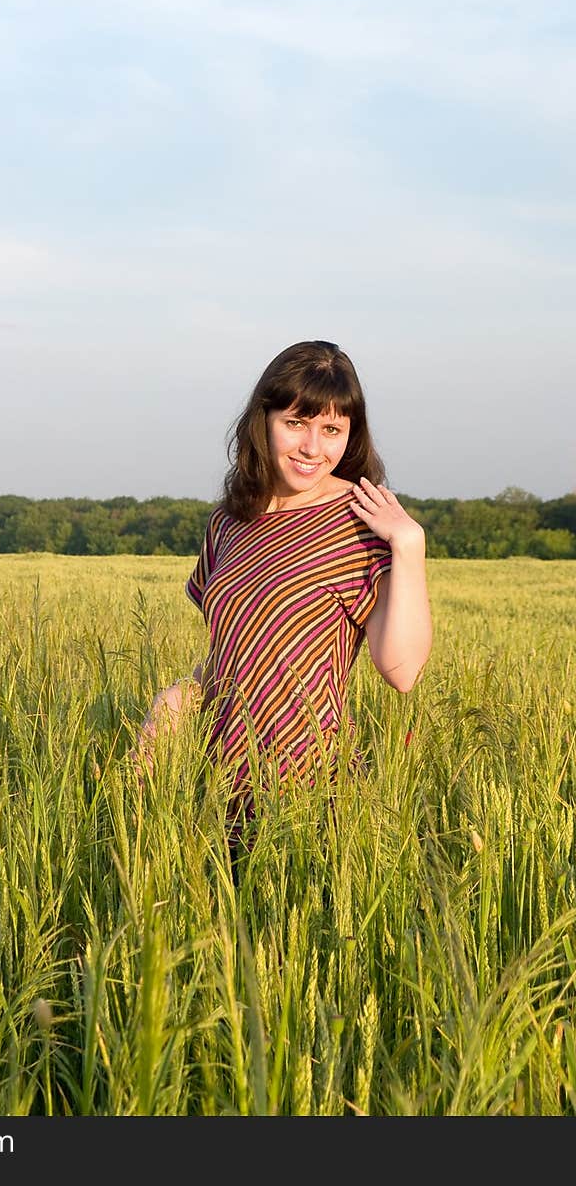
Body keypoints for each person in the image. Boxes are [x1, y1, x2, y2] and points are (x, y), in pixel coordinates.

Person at [132, 339, 432, 844]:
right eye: (296, 423)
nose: (313, 447)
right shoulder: (229, 521)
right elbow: (238, 648)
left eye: (332, 429)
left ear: (350, 434)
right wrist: (181, 695)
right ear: (263, 421)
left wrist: (408, 545)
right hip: (219, 785)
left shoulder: (360, 524)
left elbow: (402, 672)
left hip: (313, 795)